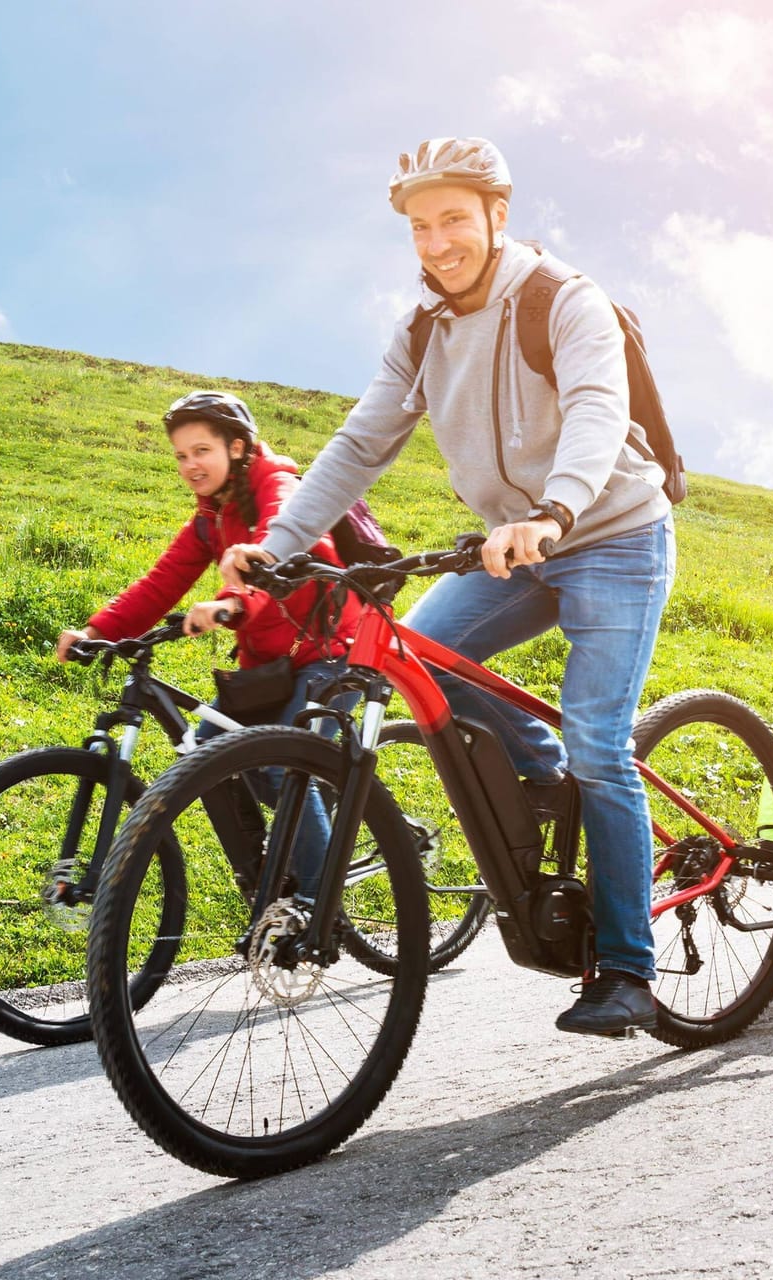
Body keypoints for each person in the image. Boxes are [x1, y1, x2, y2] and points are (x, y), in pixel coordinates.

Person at [221, 137, 677, 1036]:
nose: (438, 243)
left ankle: (626, 967)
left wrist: (554, 510)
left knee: (599, 740)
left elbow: (597, 409)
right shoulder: (423, 328)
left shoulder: (565, 301)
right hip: (514, 546)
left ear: (497, 216)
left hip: (613, 534)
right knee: (429, 656)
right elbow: (360, 444)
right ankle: (545, 779)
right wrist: (277, 544)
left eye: (455, 221)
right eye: (422, 227)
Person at [57, 389, 364, 886]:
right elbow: (161, 583)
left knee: (287, 771)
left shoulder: (281, 486)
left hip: (331, 652)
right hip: (268, 667)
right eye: (181, 455)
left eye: (202, 451)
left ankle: (315, 904)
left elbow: (276, 548)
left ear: (237, 448)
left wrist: (231, 602)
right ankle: (265, 874)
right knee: (209, 750)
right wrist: (96, 631)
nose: (190, 465)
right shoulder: (209, 517)